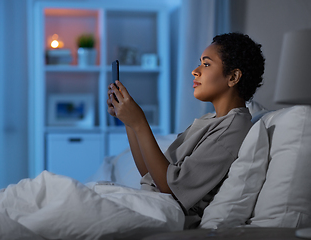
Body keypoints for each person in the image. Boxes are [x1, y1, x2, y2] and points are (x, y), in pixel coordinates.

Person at [107, 32, 265, 228]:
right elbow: (151, 174)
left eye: (206, 64)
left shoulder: (232, 128)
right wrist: (129, 122)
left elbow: (171, 188)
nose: (195, 71)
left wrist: (140, 122)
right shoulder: (210, 121)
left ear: (233, 77)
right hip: (151, 203)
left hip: (164, 212)